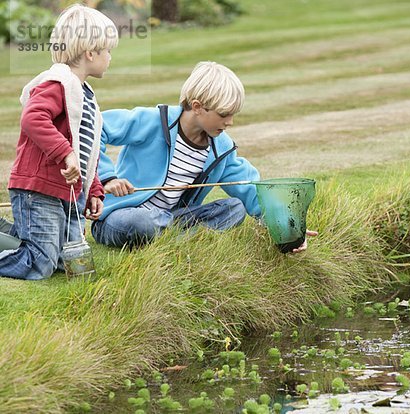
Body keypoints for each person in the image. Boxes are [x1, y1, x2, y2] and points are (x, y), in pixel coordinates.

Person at [92, 61, 316, 251]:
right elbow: (95, 128)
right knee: (139, 222)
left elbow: (250, 188)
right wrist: (107, 177)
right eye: (224, 115)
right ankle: (183, 238)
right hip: (120, 218)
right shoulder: (152, 121)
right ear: (198, 107)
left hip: (177, 218)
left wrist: (286, 227)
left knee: (234, 208)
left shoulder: (221, 148)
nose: (230, 122)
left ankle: (171, 238)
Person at [0, 4, 118, 280]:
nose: (110, 58)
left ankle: (9, 236)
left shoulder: (86, 95)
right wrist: (65, 154)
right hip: (39, 189)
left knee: (66, 262)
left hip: (67, 193)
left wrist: (94, 191)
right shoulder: (58, 84)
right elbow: (33, 118)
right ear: (90, 52)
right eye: (108, 51)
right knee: (40, 263)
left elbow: (86, 152)